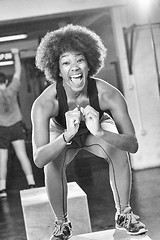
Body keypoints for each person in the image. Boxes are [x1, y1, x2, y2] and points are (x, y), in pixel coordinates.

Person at [31, 24, 147, 239]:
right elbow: (39, 159)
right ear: (57, 70)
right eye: (66, 62)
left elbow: (133, 145)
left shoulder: (108, 94)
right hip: (64, 133)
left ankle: (124, 214)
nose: (74, 67)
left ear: (89, 64)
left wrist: (101, 133)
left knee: (118, 149)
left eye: (80, 60)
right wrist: (66, 135)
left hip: (96, 131)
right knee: (52, 164)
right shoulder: (45, 103)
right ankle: (61, 223)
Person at [0, 48, 36, 198]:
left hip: (2, 129)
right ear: (6, 81)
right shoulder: (12, 88)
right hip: (16, 127)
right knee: (22, 155)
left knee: (2, 159)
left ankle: (2, 189)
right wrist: (16, 55)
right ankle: (31, 183)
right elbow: (18, 72)